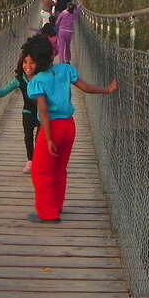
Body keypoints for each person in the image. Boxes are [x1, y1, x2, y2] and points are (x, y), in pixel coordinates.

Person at [23, 33, 118, 222]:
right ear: (52, 55)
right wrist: (107, 90)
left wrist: (48, 138)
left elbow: (43, 111)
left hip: (53, 128)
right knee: (59, 169)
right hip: (69, 127)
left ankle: (48, 214)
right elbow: (86, 88)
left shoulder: (37, 81)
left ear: (36, 60)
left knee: (40, 172)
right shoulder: (66, 70)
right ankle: (56, 205)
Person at [0, 52, 38, 173]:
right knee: (28, 136)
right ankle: (30, 160)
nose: (28, 66)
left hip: (42, 113)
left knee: (39, 138)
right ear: (21, 63)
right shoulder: (19, 79)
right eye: (25, 62)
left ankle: (39, 160)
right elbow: (5, 90)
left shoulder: (42, 77)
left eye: (32, 62)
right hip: (27, 112)